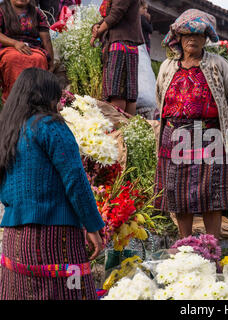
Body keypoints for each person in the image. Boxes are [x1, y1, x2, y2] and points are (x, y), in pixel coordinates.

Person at [0, 68, 105, 300]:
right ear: (46, 96)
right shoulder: (50, 125)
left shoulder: (9, 131)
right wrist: (94, 226)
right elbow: (75, 180)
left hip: (15, 241)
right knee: (72, 292)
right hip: (56, 237)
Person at [154, 9, 228, 240]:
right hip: (174, 135)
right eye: (187, 34)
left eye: (199, 34)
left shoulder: (217, 65)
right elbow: (160, 96)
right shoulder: (168, 67)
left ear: (206, 38)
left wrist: (216, 124)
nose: (193, 38)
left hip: (209, 134)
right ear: (178, 38)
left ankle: (212, 245)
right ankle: (185, 243)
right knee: (179, 193)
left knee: (213, 193)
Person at [90, 0, 144, 116]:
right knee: (127, 93)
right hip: (125, 46)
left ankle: (120, 130)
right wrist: (97, 26)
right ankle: (127, 130)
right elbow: (112, 15)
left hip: (121, 47)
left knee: (117, 92)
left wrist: (98, 32)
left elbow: (115, 14)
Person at [0, 0, 54, 102]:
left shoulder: (37, 12)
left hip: (32, 48)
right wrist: (15, 43)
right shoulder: (1, 10)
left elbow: (46, 38)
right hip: (7, 47)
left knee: (39, 58)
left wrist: (51, 60)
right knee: (13, 58)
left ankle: (36, 102)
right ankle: (12, 101)